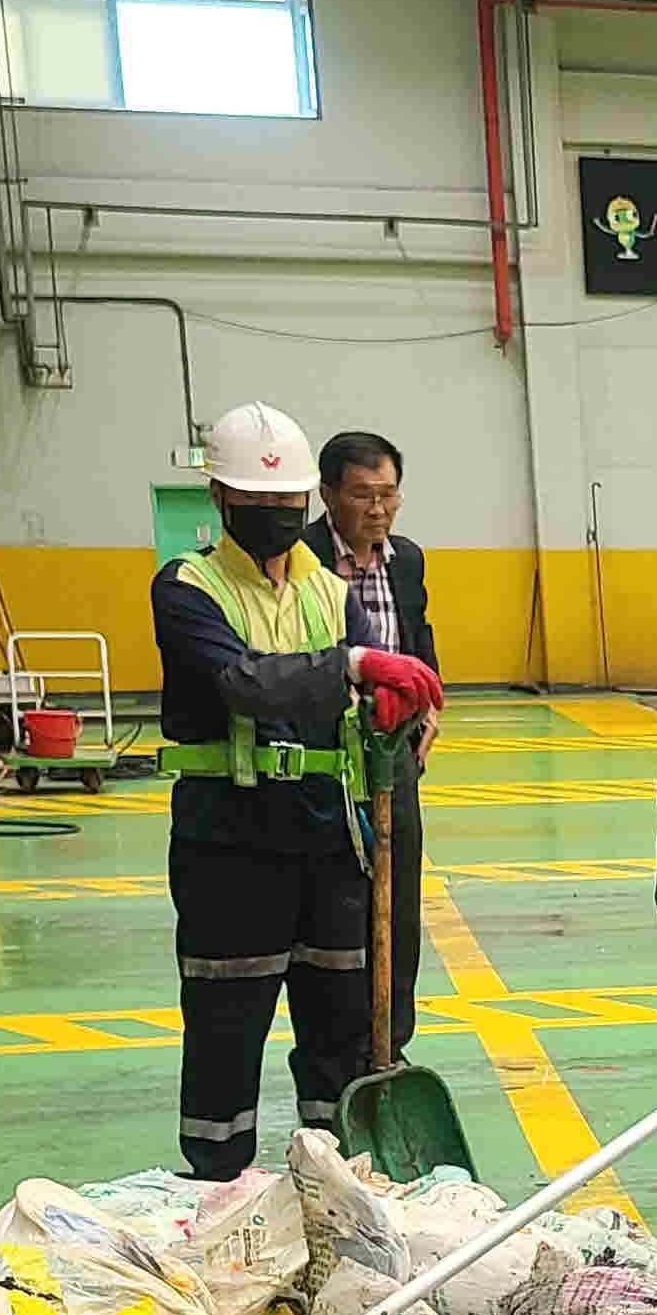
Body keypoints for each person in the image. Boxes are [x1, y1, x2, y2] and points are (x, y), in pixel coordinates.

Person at [152, 401, 445, 1179]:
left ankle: (337, 1181)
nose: (276, 518)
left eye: (286, 506)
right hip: (231, 842)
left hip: (327, 836)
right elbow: (239, 682)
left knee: (340, 1028)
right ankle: (218, 1188)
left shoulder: (325, 587)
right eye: (257, 504)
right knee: (226, 1026)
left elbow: (361, 678)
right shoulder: (187, 587)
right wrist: (352, 669)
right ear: (220, 499)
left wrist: (392, 709)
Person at [304, 428, 435, 1057]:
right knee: (339, 901)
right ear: (328, 495)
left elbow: (418, 637)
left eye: (388, 494)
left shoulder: (405, 560)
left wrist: (431, 704)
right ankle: (340, 1040)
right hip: (327, 757)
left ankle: (391, 1040)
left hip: (394, 752)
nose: (377, 508)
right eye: (362, 494)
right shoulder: (301, 559)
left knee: (399, 897)